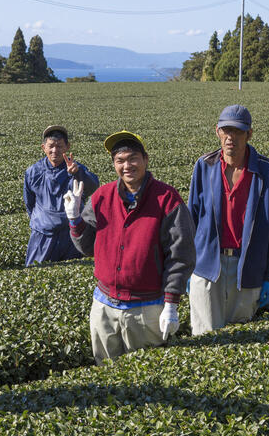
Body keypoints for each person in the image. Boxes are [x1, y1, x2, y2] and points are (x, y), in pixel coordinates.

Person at [66, 131, 195, 364]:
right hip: (104, 306)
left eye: (133, 158)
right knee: (106, 375)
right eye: (120, 160)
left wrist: (171, 304)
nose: (127, 165)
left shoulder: (167, 199)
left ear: (146, 159)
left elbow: (181, 254)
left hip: (146, 309)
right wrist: (75, 219)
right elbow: (87, 248)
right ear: (114, 164)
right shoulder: (101, 197)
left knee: (149, 374)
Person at [187, 104, 269, 335]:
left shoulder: (266, 171)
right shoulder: (204, 166)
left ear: (249, 134)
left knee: (240, 337)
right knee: (205, 336)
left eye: (238, 131)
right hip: (208, 265)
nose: (231, 137)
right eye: (226, 130)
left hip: (246, 266)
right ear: (217, 131)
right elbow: (192, 219)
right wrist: (187, 267)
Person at [23, 125, 99, 266]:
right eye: (51, 146)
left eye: (59, 146)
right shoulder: (33, 172)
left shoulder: (76, 168)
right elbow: (29, 203)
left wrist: (77, 174)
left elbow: (93, 186)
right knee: (35, 273)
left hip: (70, 235)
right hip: (43, 235)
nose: (54, 150)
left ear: (67, 147)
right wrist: (40, 220)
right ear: (43, 147)